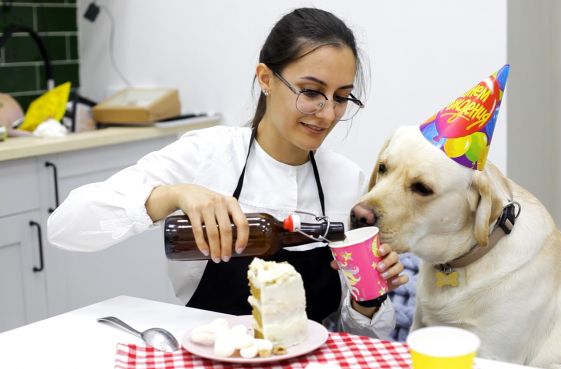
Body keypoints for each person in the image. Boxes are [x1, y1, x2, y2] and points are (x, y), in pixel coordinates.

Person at [47, 7, 408, 338]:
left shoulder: (349, 182)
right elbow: (66, 228)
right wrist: (169, 196)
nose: (328, 114)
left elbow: (363, 340)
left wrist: (369, 298)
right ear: (266, 78)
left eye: (342, 97)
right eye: (311, 92)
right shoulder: (205, 155)